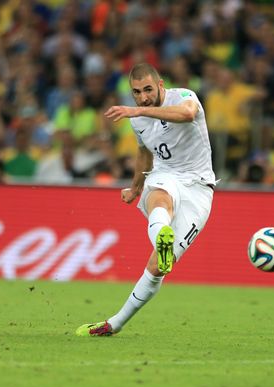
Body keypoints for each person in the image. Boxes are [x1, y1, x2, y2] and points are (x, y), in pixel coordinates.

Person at [76, 63, 216, 336]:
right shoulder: (139, 119)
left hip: (199, 187)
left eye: (148, 89)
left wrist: (138, 111)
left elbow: (188, 115)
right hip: (165, 175)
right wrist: (135, 186)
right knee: (160, 195)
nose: (142, 97)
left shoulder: (184, 97)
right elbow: (144, 153)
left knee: (157, 268)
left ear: (161, 85)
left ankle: (116, 322)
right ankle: (162, 234)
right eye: (136, 93)